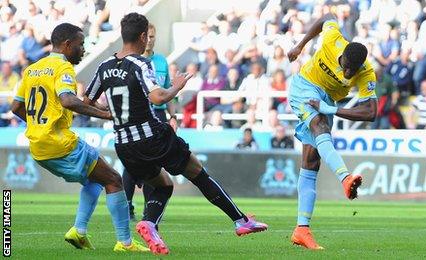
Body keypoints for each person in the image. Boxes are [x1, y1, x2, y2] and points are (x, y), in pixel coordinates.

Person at [83, 13, 267, 255]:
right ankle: (241, 221)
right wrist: (176, 86)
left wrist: (110, 114)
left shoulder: (104, 66)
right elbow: (157, 97)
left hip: (124, 144)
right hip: (152, 136)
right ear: (141, 36)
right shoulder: (141, 63)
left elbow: (87, 100)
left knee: (163, 185)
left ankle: (149, 224)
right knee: (198, 173)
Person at [10, 23, 148, 252]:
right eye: (80, 44)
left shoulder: (32, 69)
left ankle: (79, 231)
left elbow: (16, 107)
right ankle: (125, 243)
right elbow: (68, 100)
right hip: (60, 143)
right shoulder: (63, 68)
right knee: (114, 179)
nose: (83, 49)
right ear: (67, 45)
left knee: (96, 179)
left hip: (38, 147)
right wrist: (105, 113)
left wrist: (39, 125)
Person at [287, 14, 377, 250]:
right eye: (345, 67)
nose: (348, 74)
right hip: (305, 87)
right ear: (342, 55)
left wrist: (333, 109)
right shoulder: (331, 39)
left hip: (326, 101)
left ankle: (301, 230)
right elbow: (328, 17)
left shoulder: (366, 73)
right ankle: (345, 178)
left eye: (352, 71)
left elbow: (371, 112)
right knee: (320, 126)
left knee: (311, 162)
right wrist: (300, 45)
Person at [121, 23, 177, 221]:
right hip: (137, 116)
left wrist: (173, 117)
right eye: (148, 36)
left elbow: (169, 90)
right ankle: (126, 206)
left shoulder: (161, 61)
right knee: (131, 163)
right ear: (141, 37)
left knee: (155, 164)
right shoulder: (131, 62)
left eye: (153, 36)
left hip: (158, 116)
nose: (150, 40)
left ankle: (149, 209)